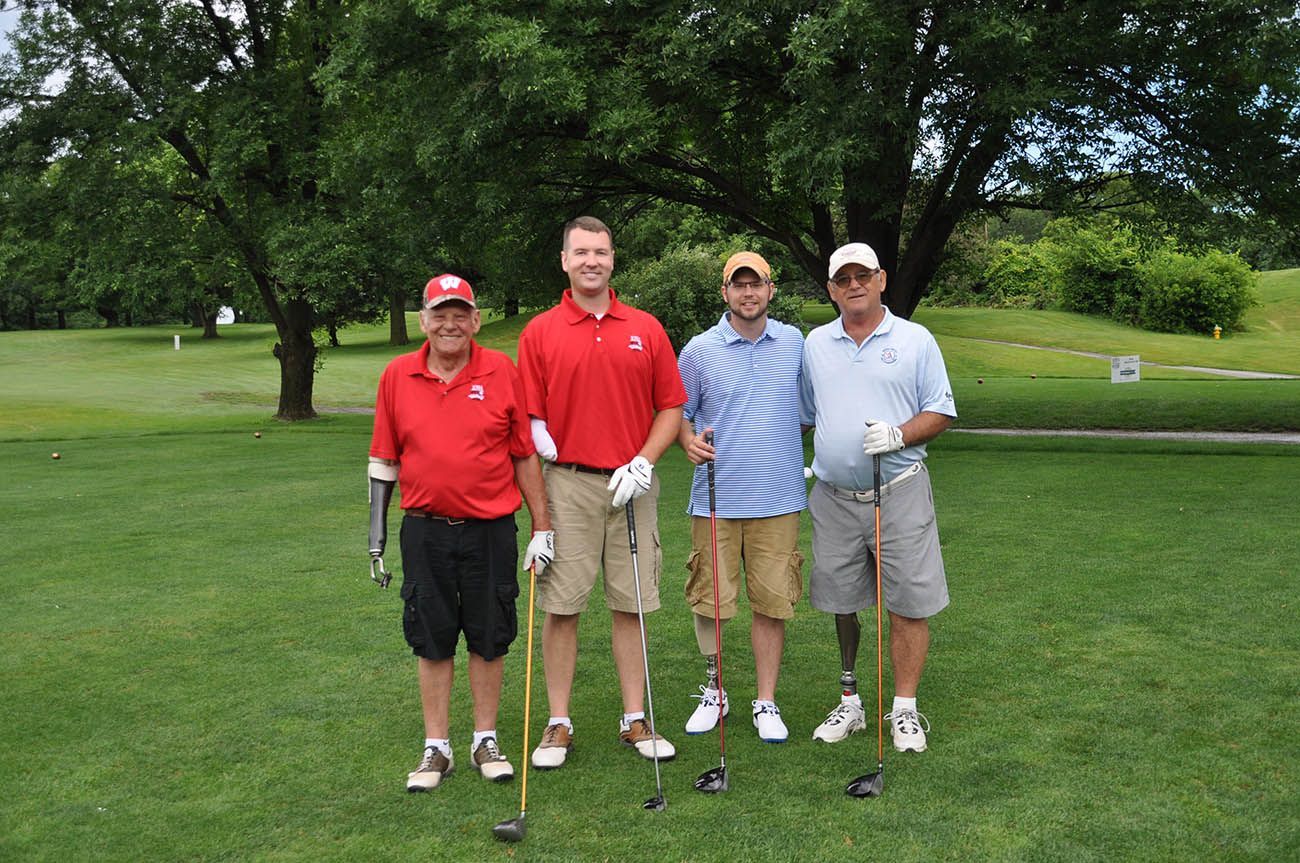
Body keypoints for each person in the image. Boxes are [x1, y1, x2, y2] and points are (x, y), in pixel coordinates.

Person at [367, 274, 555, 792]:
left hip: (490, 529)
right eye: (439, 313)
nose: (450, 323)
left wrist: (543, 526)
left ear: (475, 320)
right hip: (424, 530)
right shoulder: (396, 376)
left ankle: (483, 739)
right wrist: (375, 540)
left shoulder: (501, 370)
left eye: (460, 314)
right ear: (424, 320)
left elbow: (523, 454)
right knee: (432, 637)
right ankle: (437, 749)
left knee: (489, 636)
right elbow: (384, 459)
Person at [517, 216, 687, 769]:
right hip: (568, 484)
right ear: (564, 260)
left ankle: (634, 718)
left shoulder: (645, 326)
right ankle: (558, 722)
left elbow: (670, 406)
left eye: (602, 251)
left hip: (633, 485)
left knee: (631, 604)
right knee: (562, 606)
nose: (593, 260)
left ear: (613, 260)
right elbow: (528, 412)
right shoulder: (539, 331)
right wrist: (540, 433)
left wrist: (645, 460)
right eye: (582, 252)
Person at [799, 242, 957, 753]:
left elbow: (941, 411)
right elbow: (806, 414)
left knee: (908, 601)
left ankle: (905, 710)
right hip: (835, 497)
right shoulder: (815, 344)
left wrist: (900, 435)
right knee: (842, 602)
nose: (853, 285)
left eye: (862, 275)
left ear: (881, 279)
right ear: (830, 289)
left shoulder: (915, 339)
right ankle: (851, 703)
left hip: (899, 491)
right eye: (842, 279)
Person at [676, 251, 806, 743]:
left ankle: (766, 700)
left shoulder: (795, 342)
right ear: (725, 293)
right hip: (717, 497)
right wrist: (687, 440)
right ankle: (716, 689)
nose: (748, 293)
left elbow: (812, 406)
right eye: (739, 285)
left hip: (778, 495)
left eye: (757, 285)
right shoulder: (699, 349)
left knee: (773, 601)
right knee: (710, 599)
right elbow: (677, 412)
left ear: (772, 290)